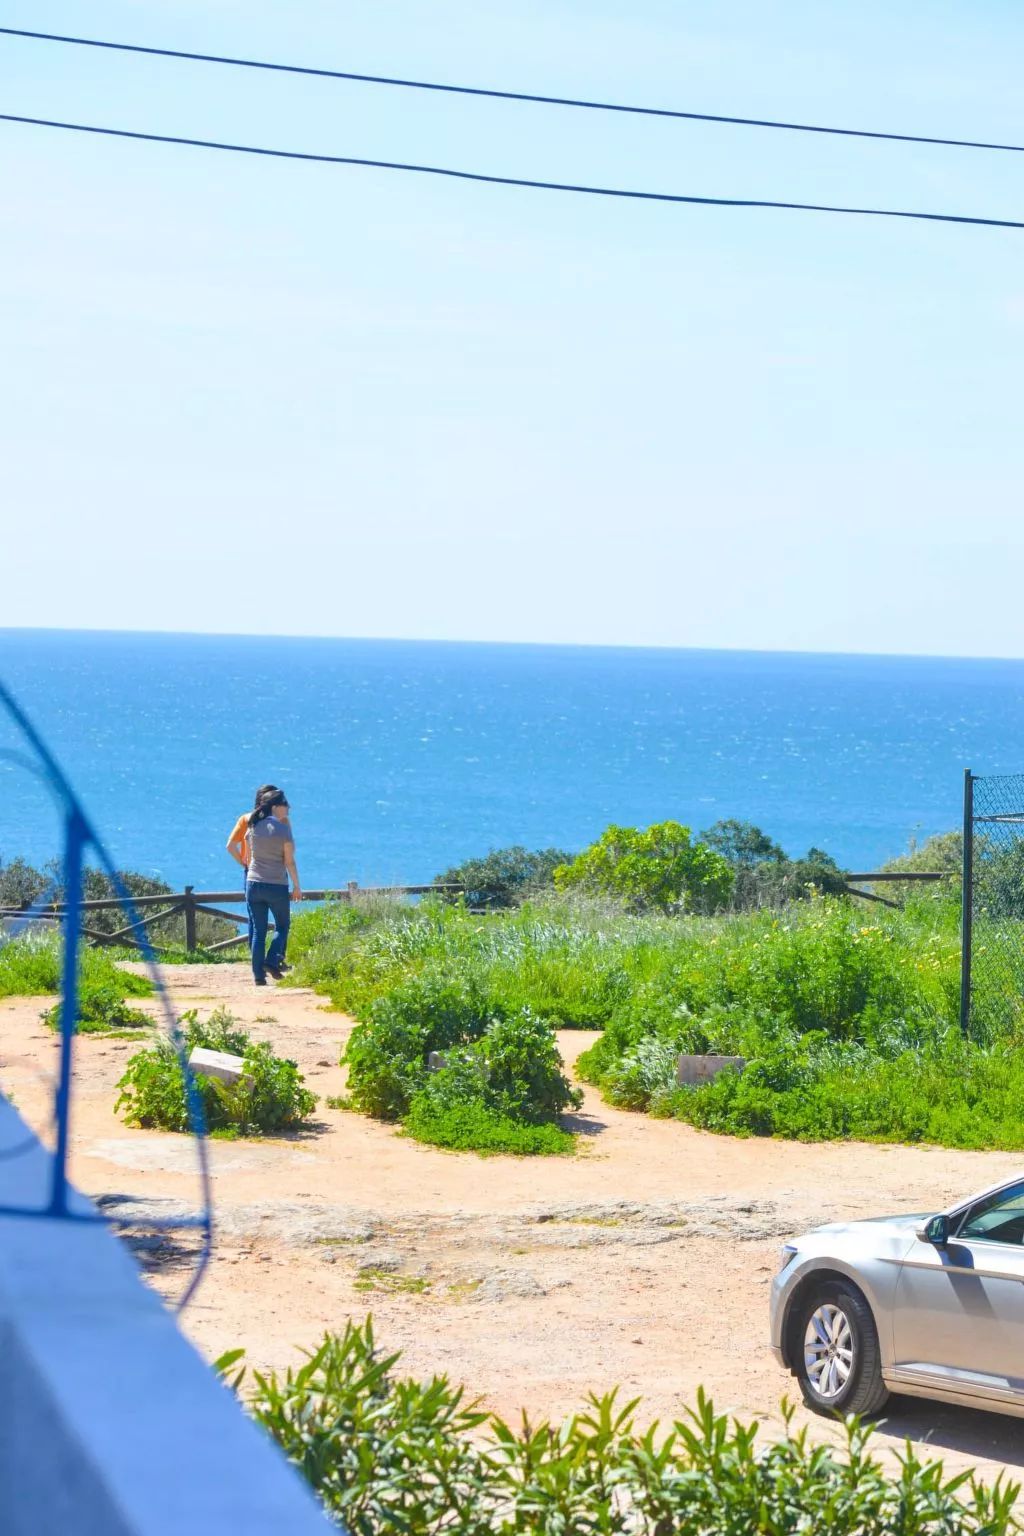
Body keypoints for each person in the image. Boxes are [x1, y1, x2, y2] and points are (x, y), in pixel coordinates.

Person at [245, 788, 302, 986]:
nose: (289, 808)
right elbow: (289, 861)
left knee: (258, 931)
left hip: (253, 883)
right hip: (276, 884)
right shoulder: (282, 829)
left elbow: (248, 856)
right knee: (282, 925)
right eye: (286, 805)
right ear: (276, 807)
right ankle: (271, 960)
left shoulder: (253, 825)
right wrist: (297, 886)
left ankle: (258, 976)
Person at [227, 784, 280, 953]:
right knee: (281, 918)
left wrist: (243, 862)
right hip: (274, 872)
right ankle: (276, 956)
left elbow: (230, 846)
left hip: (252, 871)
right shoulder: (277, 822)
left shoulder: (246, 819)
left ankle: (255, 959)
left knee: (255, 918)